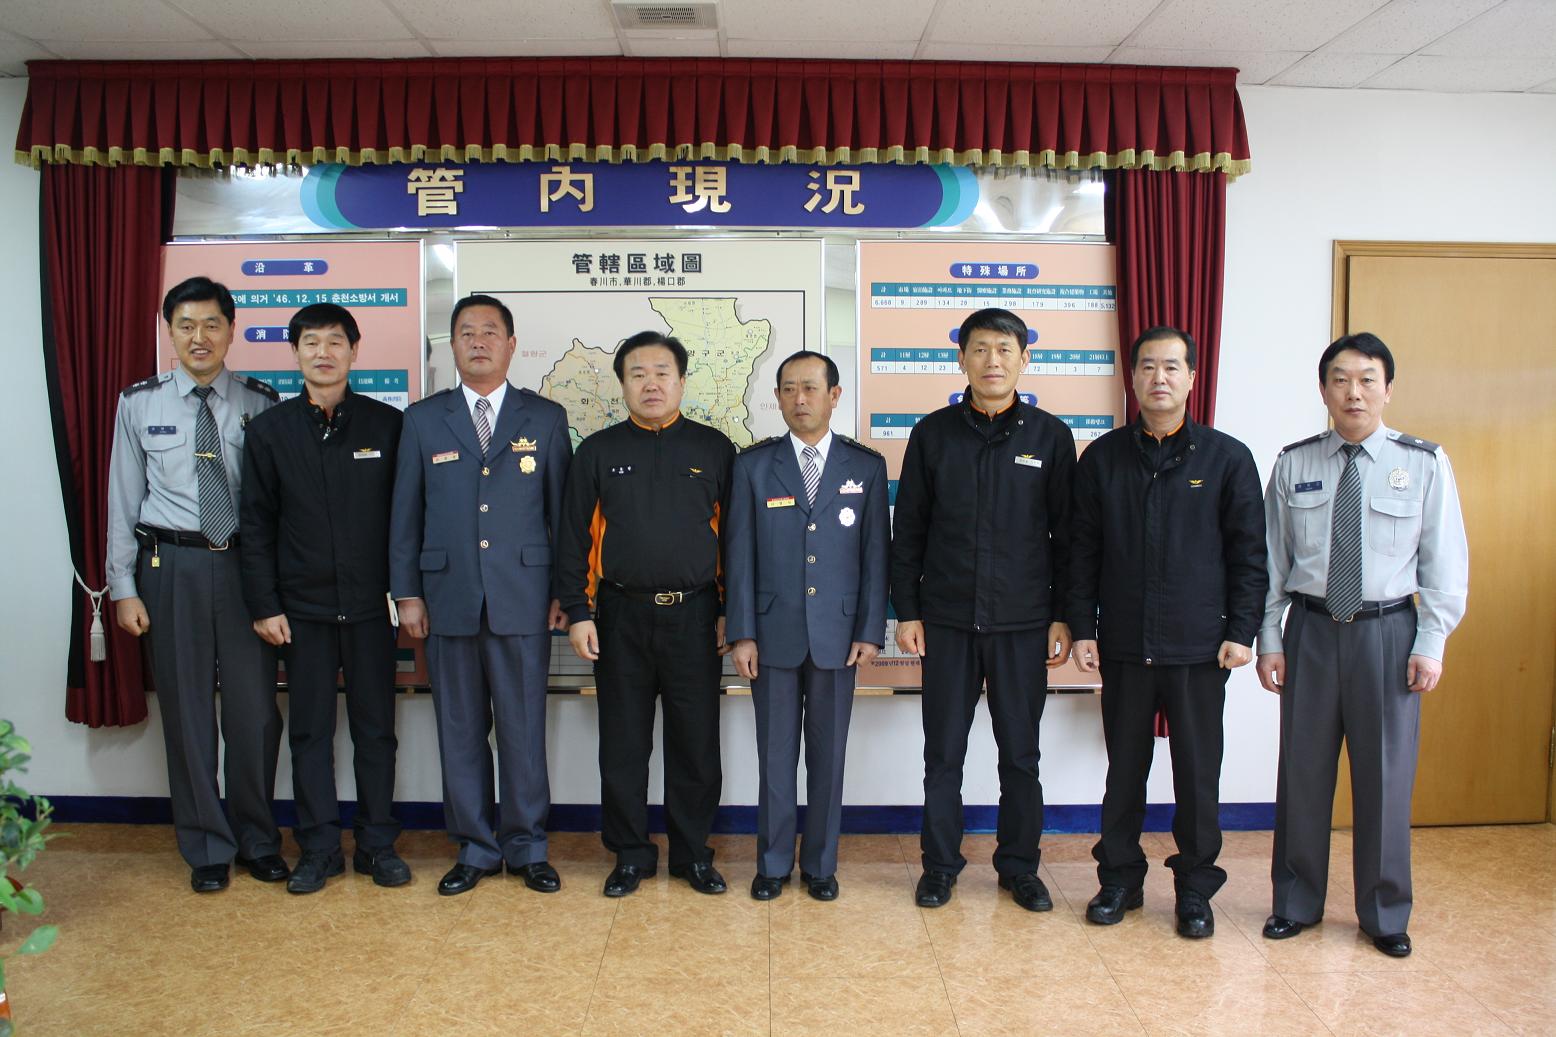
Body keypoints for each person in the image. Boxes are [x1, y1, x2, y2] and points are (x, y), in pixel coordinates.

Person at [1257, 332, 1468, 958]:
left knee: (1385, 779)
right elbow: (1271, 562)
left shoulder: (1423, 462)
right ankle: (1295, 902)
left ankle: (1384, 913)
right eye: (1341, 379)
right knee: (1302, 774)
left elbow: (1445, 561)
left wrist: (1431, 641)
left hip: (1388, 633)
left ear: (1388, 389)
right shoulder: (1294, 463)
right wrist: (1269, 637)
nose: (1354, 392)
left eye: (1367, 379)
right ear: (1323, 390)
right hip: (1311, 631)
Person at [1068, 326, 1267, 938]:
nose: (1160, 377)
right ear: (1132, 377)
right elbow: (1081, 552)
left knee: (1198, 775)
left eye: (1172, 367)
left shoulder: (1227, 458)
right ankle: (1119, 880)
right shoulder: (1103, 458)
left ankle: (1195, 890)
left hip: (1199, 648)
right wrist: (1082, 628)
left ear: (1192, 378)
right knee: (1123, 773)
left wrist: (1242, 630)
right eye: (1148, 366)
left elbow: (1249, 555)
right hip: (1125, 645)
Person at [890, 306, 1075, 912]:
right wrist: (908, 611)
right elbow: (908, 530)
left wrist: (1062, 615)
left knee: (1020, 755)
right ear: (962, 358)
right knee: (943, 754)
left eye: (1004, 349)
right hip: (946, 621)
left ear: (1024, 358)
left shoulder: (1050, 437)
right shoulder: (933, 433)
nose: (992, 361)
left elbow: (1068, 537)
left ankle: (1019, 867)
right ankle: (939, 866)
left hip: (1023, 623)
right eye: (979, 349)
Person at [106, 276, 286, 892]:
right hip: (170, 567)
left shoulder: (261, 402)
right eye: (186, 325)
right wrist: (122, 587)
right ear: (170, 331)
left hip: (244, 571)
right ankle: (207, 845)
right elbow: (122, 500)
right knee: (186, 713)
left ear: (231, 330)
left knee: (255, 715)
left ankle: (257, 840)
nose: (199, 337)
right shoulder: (139, 403)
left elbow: (274, 505)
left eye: (211, 324)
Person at [388, 294, 572, 896]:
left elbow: (563, 517)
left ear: (511, 345)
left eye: (490, 331)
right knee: (460, 730)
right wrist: (407, 593)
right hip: (448, 598)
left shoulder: (545, 418)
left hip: (525, 597)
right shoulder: (423, 419)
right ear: (453, 345)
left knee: (523, 731)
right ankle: (474, 847)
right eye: (466, 332)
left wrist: (565, 592)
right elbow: (405, 514)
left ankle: (527, 846)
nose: (478, 341)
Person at [557, 331, 736, 898]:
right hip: (619, 617)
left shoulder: (714, 449)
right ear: (622, 384)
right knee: (623, 745)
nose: (651, 384)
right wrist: (579, 612)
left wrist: (731, 612)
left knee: (696, 745)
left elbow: (735, 541)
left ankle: (692, 855)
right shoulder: (597, 452)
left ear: (681, 381)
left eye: (662, 373)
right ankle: (630, 854)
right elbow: (574, 539)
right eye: (638, 374)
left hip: (696, 617)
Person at [239, 303, 409, 894]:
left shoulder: (388, 426)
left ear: (354, 351)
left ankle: (377, 845)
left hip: (371, 609)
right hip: (300, 612)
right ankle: (318, 848)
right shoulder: (269, 431)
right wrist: (264, 604)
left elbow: (406, 521)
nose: (323, 353)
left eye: (336, 341)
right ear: (295, 354)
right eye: (311, 342)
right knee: (309, 732)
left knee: (376, 731)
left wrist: (406, 594)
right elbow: (256, 524)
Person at [725, 350, 890, 902]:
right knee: (774, 758)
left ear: (834, 395)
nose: (800, 399)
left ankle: (820, 864)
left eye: (811, 388)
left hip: (839, 638)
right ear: (777, 397)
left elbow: (876, 556)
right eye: (789, 389)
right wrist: (742, 633)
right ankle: (772, 864)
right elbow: (739, 556)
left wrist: (869, 630)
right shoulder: (753, 466)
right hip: (771, 635)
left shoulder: (865, 467)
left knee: (828, 757)